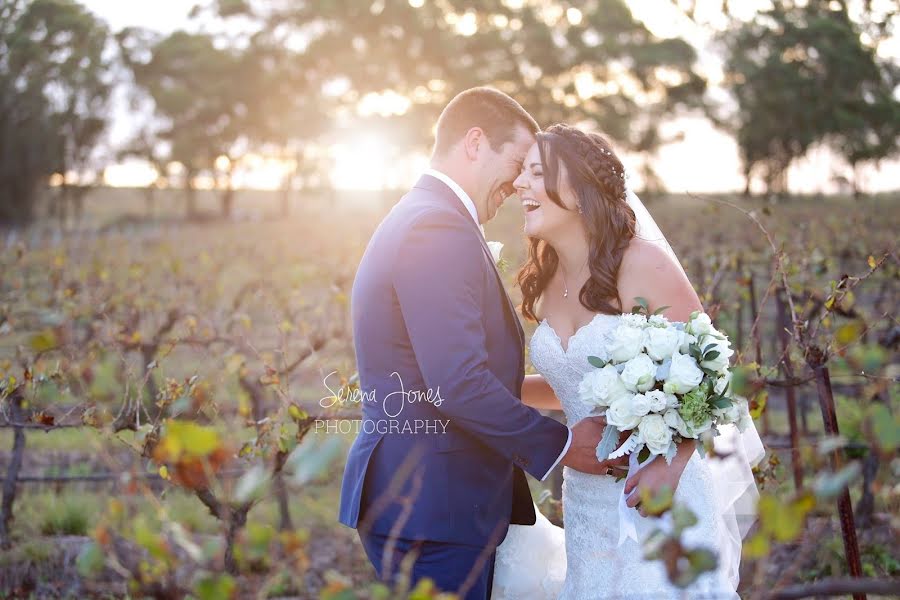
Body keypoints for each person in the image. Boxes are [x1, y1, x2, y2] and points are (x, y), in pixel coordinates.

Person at [337, 90, 616, 600]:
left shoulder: (426, 214)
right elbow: (457, 383)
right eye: (517, 164)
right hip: (433, 509)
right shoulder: (438, 227)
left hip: (427, 500)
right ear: (474, 142)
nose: (517, 184)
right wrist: (563, 446)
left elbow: (444, 373)